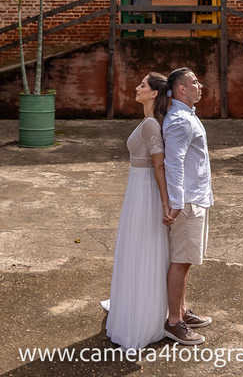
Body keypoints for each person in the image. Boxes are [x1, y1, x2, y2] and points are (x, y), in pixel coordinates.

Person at [103, 72, 172, 350]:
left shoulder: (151, 126)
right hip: (137, 190)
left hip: (146, 194)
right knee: (135, 248)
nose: (137, 87)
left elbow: (159, 166)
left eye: (142, 85)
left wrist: (166, 203)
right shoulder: (148, 122)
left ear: (154, 93)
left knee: (143, 249)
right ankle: (133, 305)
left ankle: (142, 318)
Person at [161, 67, 213, 345]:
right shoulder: (180, 121)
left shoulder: (187, 116)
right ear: (181, 89)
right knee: (180, 262)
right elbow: (173, 163)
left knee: (187, 260)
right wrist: (177, 203)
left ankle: (181, 310)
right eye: (194, 82)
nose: (199, 85)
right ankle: (173, 322)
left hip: (196, 198)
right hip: (188, 203)